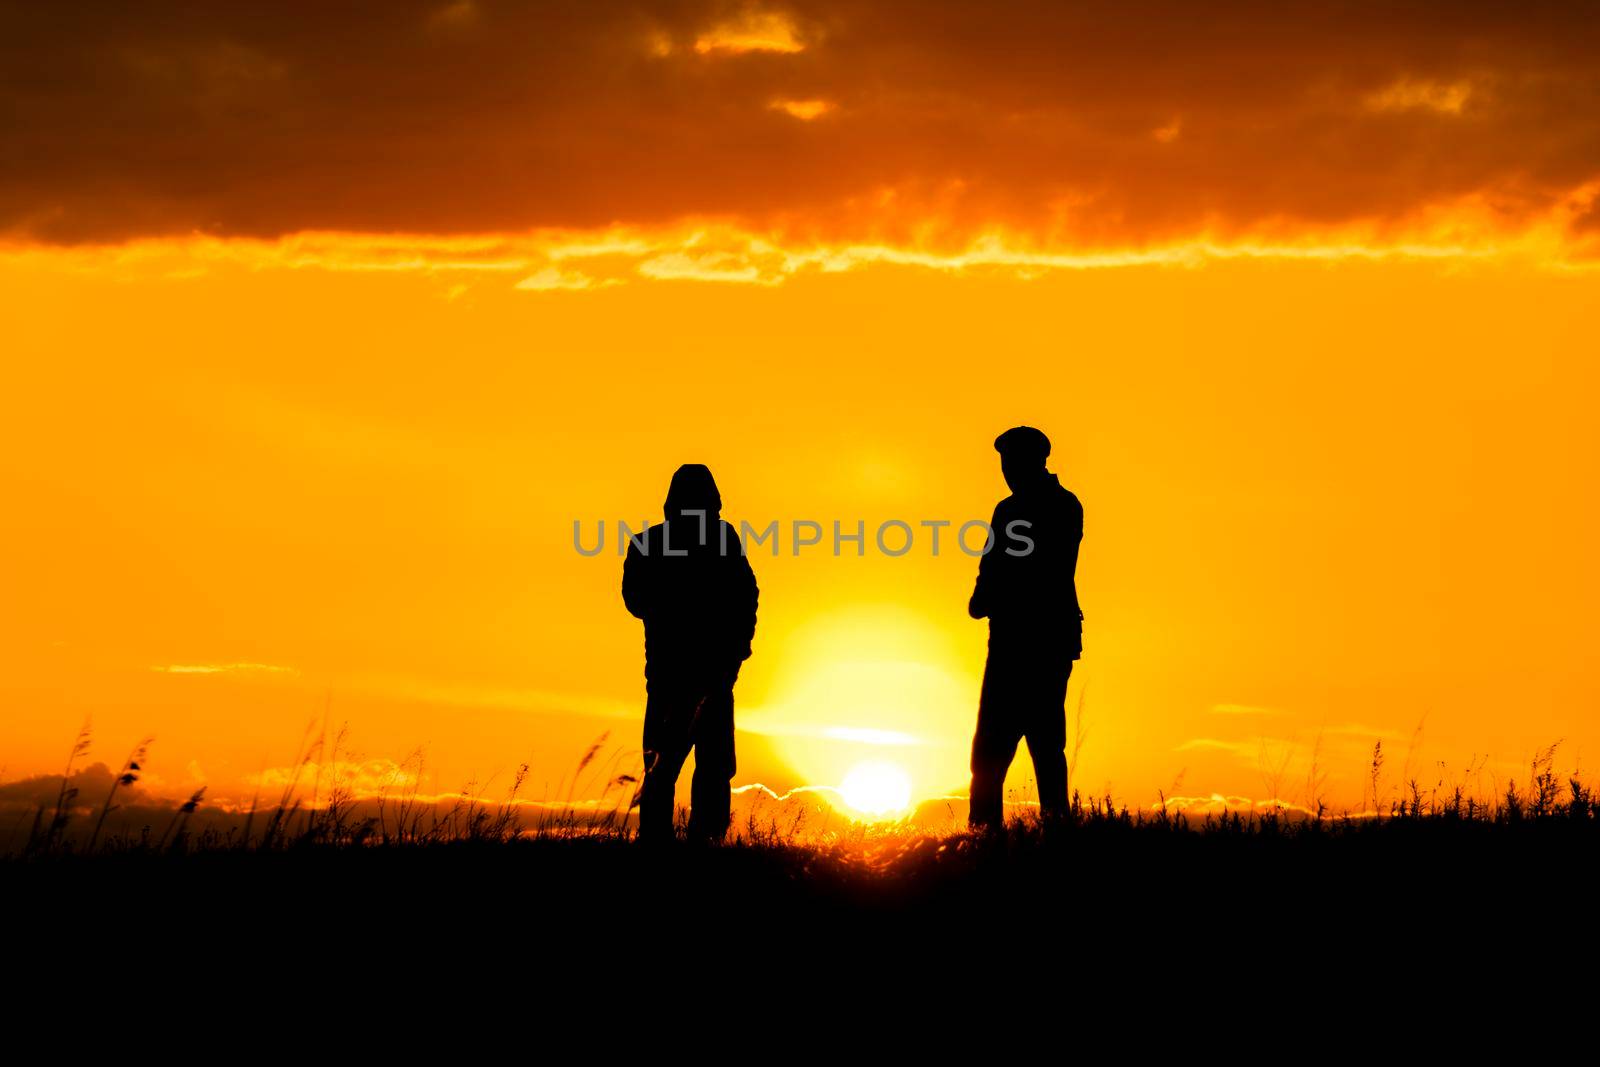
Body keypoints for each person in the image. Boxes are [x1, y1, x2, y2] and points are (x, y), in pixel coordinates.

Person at [622, 464, 758, 843]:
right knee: (664, 768)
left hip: (708, 677)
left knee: (705, 769)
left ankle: (702, 842)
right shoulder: (655, 543)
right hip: (675, 678)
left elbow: (746, 596)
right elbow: (636, 599)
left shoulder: (720, 540)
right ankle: (664, 843)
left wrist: (738, 650)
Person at [966, 426, 1083, 831]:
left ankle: (1049, 831)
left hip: (1039, 642)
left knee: (1042, 744)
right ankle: (985, 836)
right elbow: (992, 563)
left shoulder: (1057, 507)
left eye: (1012, 460)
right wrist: (983, 597)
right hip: (1014, 642)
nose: (1006, 469)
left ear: (1035, 460)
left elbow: (1039, 567)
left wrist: (989, 596)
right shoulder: (1012, 509)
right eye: (1004, 461)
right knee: (994, 751)